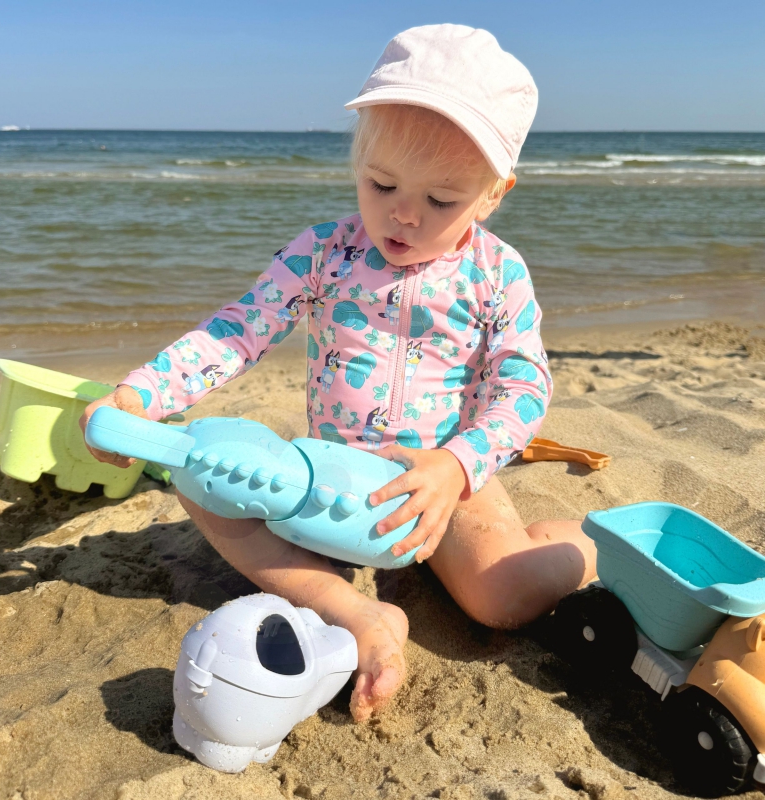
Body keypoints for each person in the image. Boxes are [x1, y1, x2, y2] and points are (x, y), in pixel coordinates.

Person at [80, 24, 597, 723]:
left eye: (441, 200)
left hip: (441, 485)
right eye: (381, 183)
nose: (403, 213)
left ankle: (588, 542)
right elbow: (238, 331)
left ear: (492, 194)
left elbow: (523, 386)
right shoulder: (324, 253)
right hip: (329, 478)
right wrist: (140, 395)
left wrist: (458, 465)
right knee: (199, 473)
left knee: (504, 600)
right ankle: (357, 611)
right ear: (359, 161)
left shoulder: (496, 273)